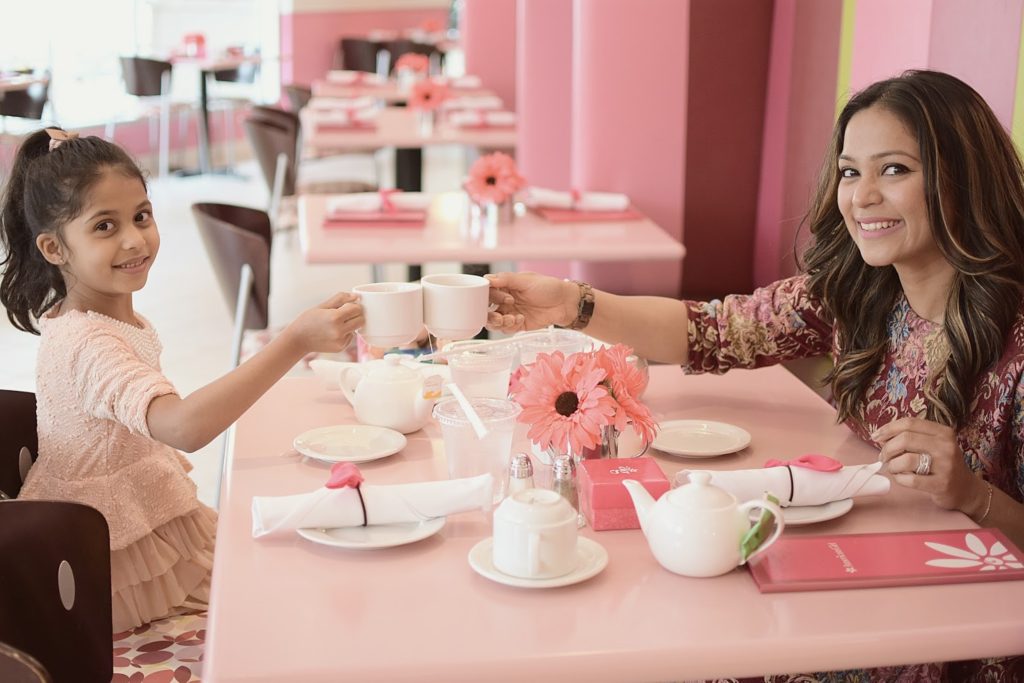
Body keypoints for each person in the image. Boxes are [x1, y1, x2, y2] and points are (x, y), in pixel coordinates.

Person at [487, 70, 1024, 681]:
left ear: (962, 177)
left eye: (894, 169)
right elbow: (717, 330)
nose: (862, 196)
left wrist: (973, 496)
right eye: (850, 171)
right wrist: (572, 306)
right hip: (865, 582)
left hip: (961, 640)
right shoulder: (856, 291)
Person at [0, 128, 364, 632]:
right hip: (111, 563)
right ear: (54, 248)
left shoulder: (101, 319)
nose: (134, 239)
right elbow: (184, 428)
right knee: (298, 607)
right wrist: (295, 341)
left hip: (151, 527)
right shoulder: (88, 344)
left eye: (141, 216)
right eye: (105, 226)